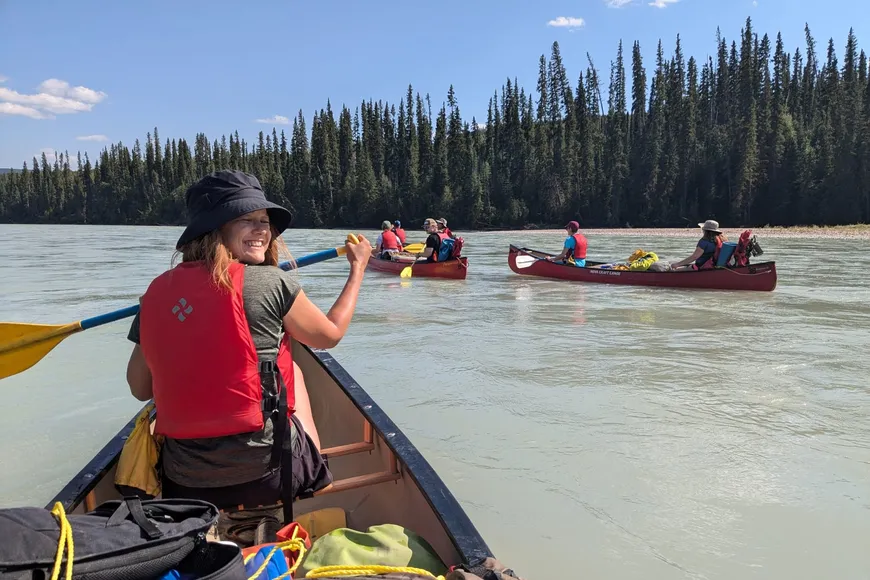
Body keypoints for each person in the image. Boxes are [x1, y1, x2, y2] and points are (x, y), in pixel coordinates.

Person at [125, 170, 371, 522]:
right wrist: (358, 268)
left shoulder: (154, 295)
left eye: (264, 221)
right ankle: (317, 475)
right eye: (246, 219)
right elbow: (329, 334)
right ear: (214, 228)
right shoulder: (271, 282)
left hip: (183, 482)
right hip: (270, 476)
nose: (262, 230)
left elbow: (139, 388)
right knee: (295, 368)